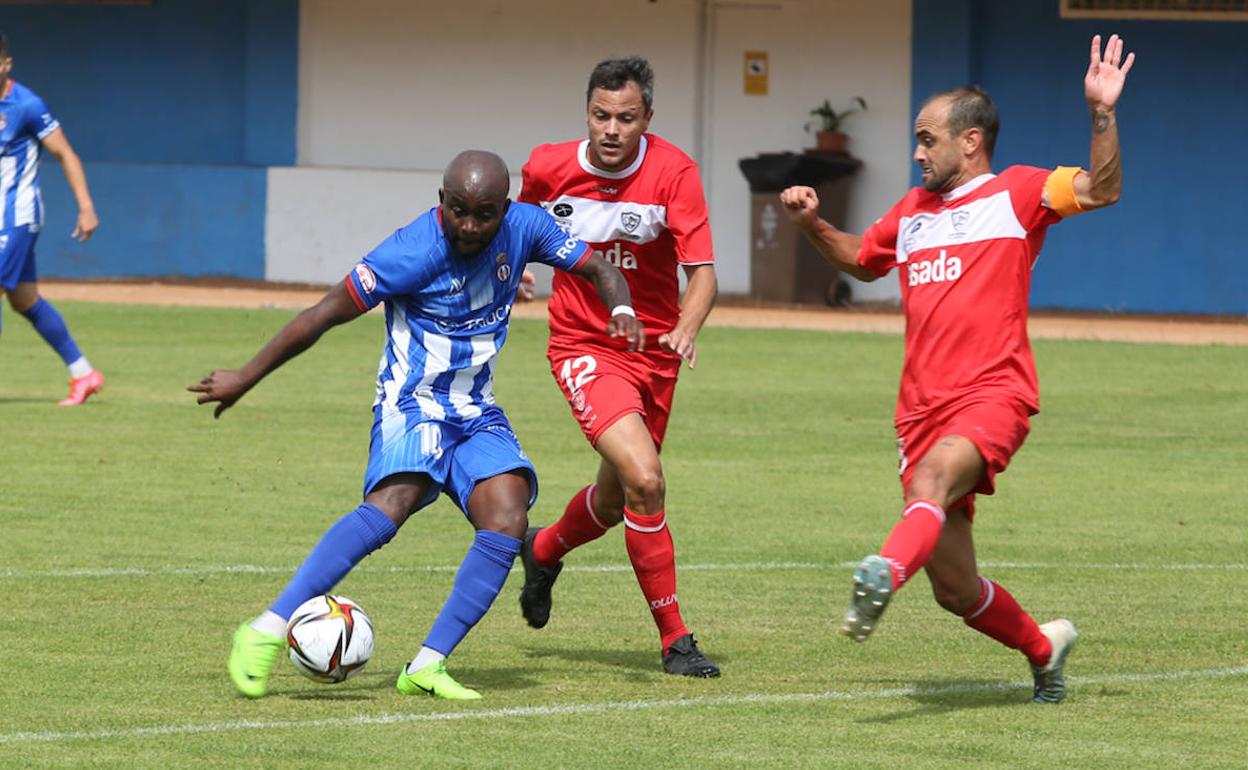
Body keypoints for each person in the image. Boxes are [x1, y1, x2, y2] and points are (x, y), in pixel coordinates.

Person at [189, 150, 643, 700]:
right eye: (457, 211)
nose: (469, 226)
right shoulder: (410, 251)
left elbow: (599, 268)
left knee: (507, 518)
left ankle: (426, 666)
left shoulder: (526, 226)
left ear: (506, 209)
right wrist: (246, 376)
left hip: (475, 410)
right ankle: (265, 628)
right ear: (441, 201)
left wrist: (621, 310)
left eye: (483, 214)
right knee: (393, 503)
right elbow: (322, 314)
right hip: (414, 404)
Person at [780, 34, 1134, 704]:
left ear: (970, 141)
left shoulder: (1021, 192)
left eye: (927, 139)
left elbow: (1104, 189)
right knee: (956, 589)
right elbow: (863, 260)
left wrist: (1102, 113)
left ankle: (883, 571)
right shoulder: (912, 213)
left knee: (934, 479)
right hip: (918, 411)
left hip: (994, 396)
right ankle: (1044, 647)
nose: (916, 153)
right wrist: (813, 226)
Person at [516, 56, 721, 677]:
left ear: (647, 119)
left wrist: (684, 330)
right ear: (587, 113)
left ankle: (544, 548)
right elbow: (513, 224)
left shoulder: (674, 172)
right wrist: (517, 267)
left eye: (625, 118)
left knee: (614, 501)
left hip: (654, 357)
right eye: (600, 115)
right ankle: (676, 640)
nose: (611, 129)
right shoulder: (548, 166)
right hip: (583, 345)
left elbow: (703, 274)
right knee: (648, 480)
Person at [0, 32, 103, 405]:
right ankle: (84, 373)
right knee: (24, 299)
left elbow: (66, 154)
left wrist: (86, 206)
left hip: (17, 214)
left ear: (6, 64)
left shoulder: (27, 105)